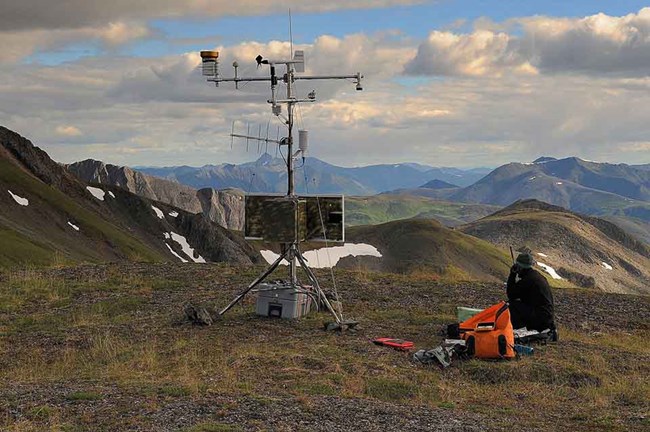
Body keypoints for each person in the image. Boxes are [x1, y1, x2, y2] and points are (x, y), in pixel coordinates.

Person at [507, 253, 558, 340]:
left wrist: (512, 275)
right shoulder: (536, 276)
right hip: (546, 317)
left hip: (540, 318)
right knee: (517, 305)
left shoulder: (528, 280)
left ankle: (513, 331)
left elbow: (511, 295)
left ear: (520, 267)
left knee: (510, 306)